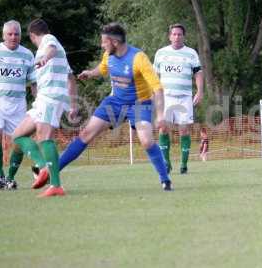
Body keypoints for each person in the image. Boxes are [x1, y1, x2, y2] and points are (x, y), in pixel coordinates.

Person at [36, 22, 172, 191]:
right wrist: (90, 73)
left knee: (146, 141)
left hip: (139, 104)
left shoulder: (139, 58)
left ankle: (165, 179)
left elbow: (157, 88)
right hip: (114, 102)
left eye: (104, 42)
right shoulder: (109, 55)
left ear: (115, 42)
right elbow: (103, 68)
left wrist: (160, 116)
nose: (102, 45)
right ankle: (52, 172)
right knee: (85, 133)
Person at [11, 18, 77, 197]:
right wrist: (72, 105)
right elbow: (71, 78)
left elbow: (51, 49)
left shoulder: (49, 40)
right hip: (43, 99)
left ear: (32, 36)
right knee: (17, 135)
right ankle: (43, 168)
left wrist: (44, 58)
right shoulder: (58, 52)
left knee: (44, 137)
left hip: (51, 97)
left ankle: (55, 185)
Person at [154, 23, 204, 174]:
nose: (176, 37)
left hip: (184, 98)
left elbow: (198, 73)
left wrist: (200, 92)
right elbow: (154, 75)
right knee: (163, 128)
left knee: (184, 130)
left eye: (179, 34)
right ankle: (166, 162)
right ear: (169, 37)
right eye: (174, 34)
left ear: (183, 36)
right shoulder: (161, 53)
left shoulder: (191, 53)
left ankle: (183, 164)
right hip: (166, 97)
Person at [0, 20, 36, 190]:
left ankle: (10, 178)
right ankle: (0, 176)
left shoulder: (28, 54)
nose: (13, 37)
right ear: (4, 35)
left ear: (21, 35)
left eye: (16, 34)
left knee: (21, 141)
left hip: (18, 104)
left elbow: (34, 82)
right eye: (10, 34)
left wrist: (37, 103)